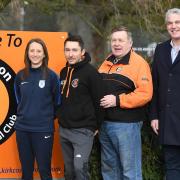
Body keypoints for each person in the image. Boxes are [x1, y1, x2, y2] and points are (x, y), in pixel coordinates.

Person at [98, 26, 153, 180]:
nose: (117, 43)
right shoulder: (107, 61)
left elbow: (145, 94)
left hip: (126, 126)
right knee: (109, 170)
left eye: (121, 40)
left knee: (130, 171)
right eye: (114, 40)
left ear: (130, 43)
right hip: (105, 124)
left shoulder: (138, 63)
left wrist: (118, 100)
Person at [56, 35, 104, 180]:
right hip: (64, 130)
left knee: (79, 168)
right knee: (69, 172)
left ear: (82, 52)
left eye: (74, 50)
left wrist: (96, 126)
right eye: (67, 50)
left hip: (83, 130)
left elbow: (100, 101)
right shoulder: (64, 72)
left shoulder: (91, 73)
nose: (70, 54)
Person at [14, 38, 60, 180]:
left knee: (44, 171)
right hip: (22, 130)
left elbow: (57, 102)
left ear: (44, 54)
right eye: (32, 50)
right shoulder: (20, 76)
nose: (35, 54)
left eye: (38, 51)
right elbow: (18, 100)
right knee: (26, 172)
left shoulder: (52, 76)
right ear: (27, 53)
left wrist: (43, 118)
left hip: (43, 130)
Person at [150, 8, 180, 180]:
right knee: (172, 167)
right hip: (167, 121)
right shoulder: (160, 49)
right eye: (170, 23)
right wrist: (154, 116)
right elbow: (155, 85)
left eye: (177, 22)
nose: (173, 26)